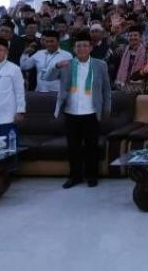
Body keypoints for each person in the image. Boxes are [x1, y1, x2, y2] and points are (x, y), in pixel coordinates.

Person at [45, 32, 112, 189]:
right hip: (71, 112)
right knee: (73, 148)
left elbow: (106, 90)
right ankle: (75, 176)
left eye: (85, 45)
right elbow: (47, 77)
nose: (82, 48)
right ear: (74, 49)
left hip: (91, 112)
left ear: (91, 48)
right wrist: (55, 66)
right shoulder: (66, 64)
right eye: (78, 46)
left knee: (91, 147)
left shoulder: (100, 65)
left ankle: (91, 176)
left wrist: (107, 110)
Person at [0, 38, 25, 139]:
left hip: (7, 117)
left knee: (7, 147)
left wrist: (20, 111)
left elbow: (20, 92)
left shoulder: (14, 69)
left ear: (6, 52)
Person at [114, 25, 147, 90]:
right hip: (123, 84)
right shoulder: (124, 50)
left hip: (138, 86)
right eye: (130, 35)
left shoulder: (146, 52)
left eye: (135, 35)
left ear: (140, 37)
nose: (132, 37)